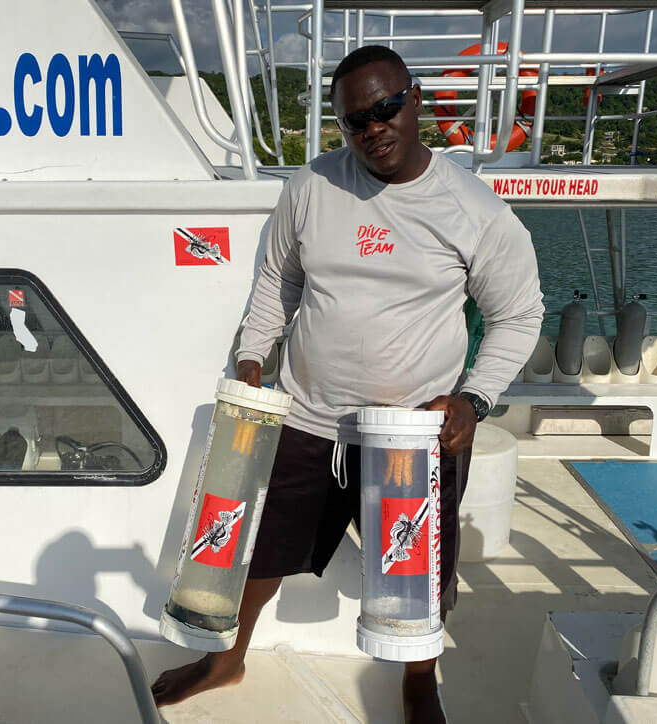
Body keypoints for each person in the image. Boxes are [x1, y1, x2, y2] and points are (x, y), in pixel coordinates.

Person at [152, 45, 544, 723]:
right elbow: (278, 283)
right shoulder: (311, 187)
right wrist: (252, 359)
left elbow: (518, 315)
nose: (374, 130)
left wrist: (473, 400)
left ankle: (418, 683)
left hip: (409, 430)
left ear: (414, 100)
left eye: (386, 109)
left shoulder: (473, 209)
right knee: (264, 548)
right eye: (356, 120)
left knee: (415, 576)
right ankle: (226, 659)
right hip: (306, 415)